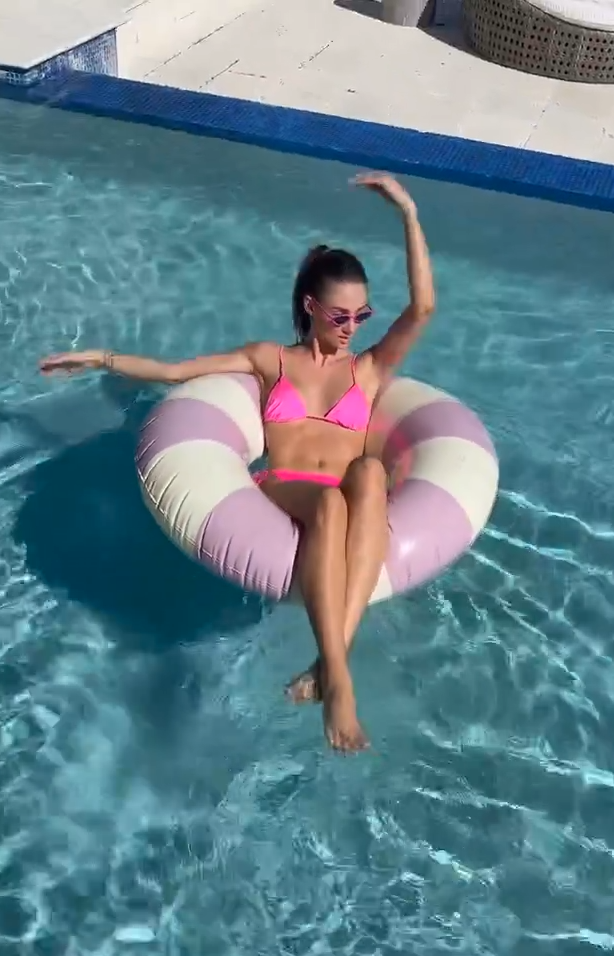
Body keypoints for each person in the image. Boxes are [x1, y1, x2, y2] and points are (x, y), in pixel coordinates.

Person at [40, 173, 435, 753]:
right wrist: (100, 358)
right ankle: (340, 681)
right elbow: (176, 372)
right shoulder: (270, 359)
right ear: (311, 307)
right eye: (340, 317)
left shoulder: (370, 368)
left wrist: (407, 211)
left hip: (344, 493)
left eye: (362, 316)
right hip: (288, 486)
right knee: (331, 500)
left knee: (371, 472)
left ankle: (326, 669)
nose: (352, 329)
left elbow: (423, 307)